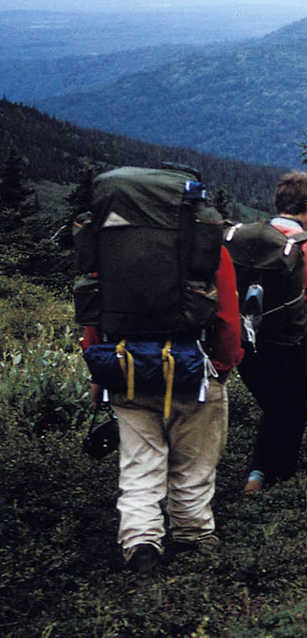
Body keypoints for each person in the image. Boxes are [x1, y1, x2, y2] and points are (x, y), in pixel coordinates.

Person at [79, 167, 243, 576]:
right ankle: (193, 535)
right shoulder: (203, 247)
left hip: (126, 366)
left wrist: (100, 371)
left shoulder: (109, 246)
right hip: (192, 367)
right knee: (194, 463)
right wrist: (223, 365)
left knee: (138, 463)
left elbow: (92, 312)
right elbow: (226, 314)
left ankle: (140, 540)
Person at [237, 172, 307, 492]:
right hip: (292, 343)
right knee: (291, 410)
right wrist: (303, 329)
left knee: (273, 406)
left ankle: (258, 472)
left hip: (246, 341)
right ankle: (276, 482)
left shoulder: (245, 242)